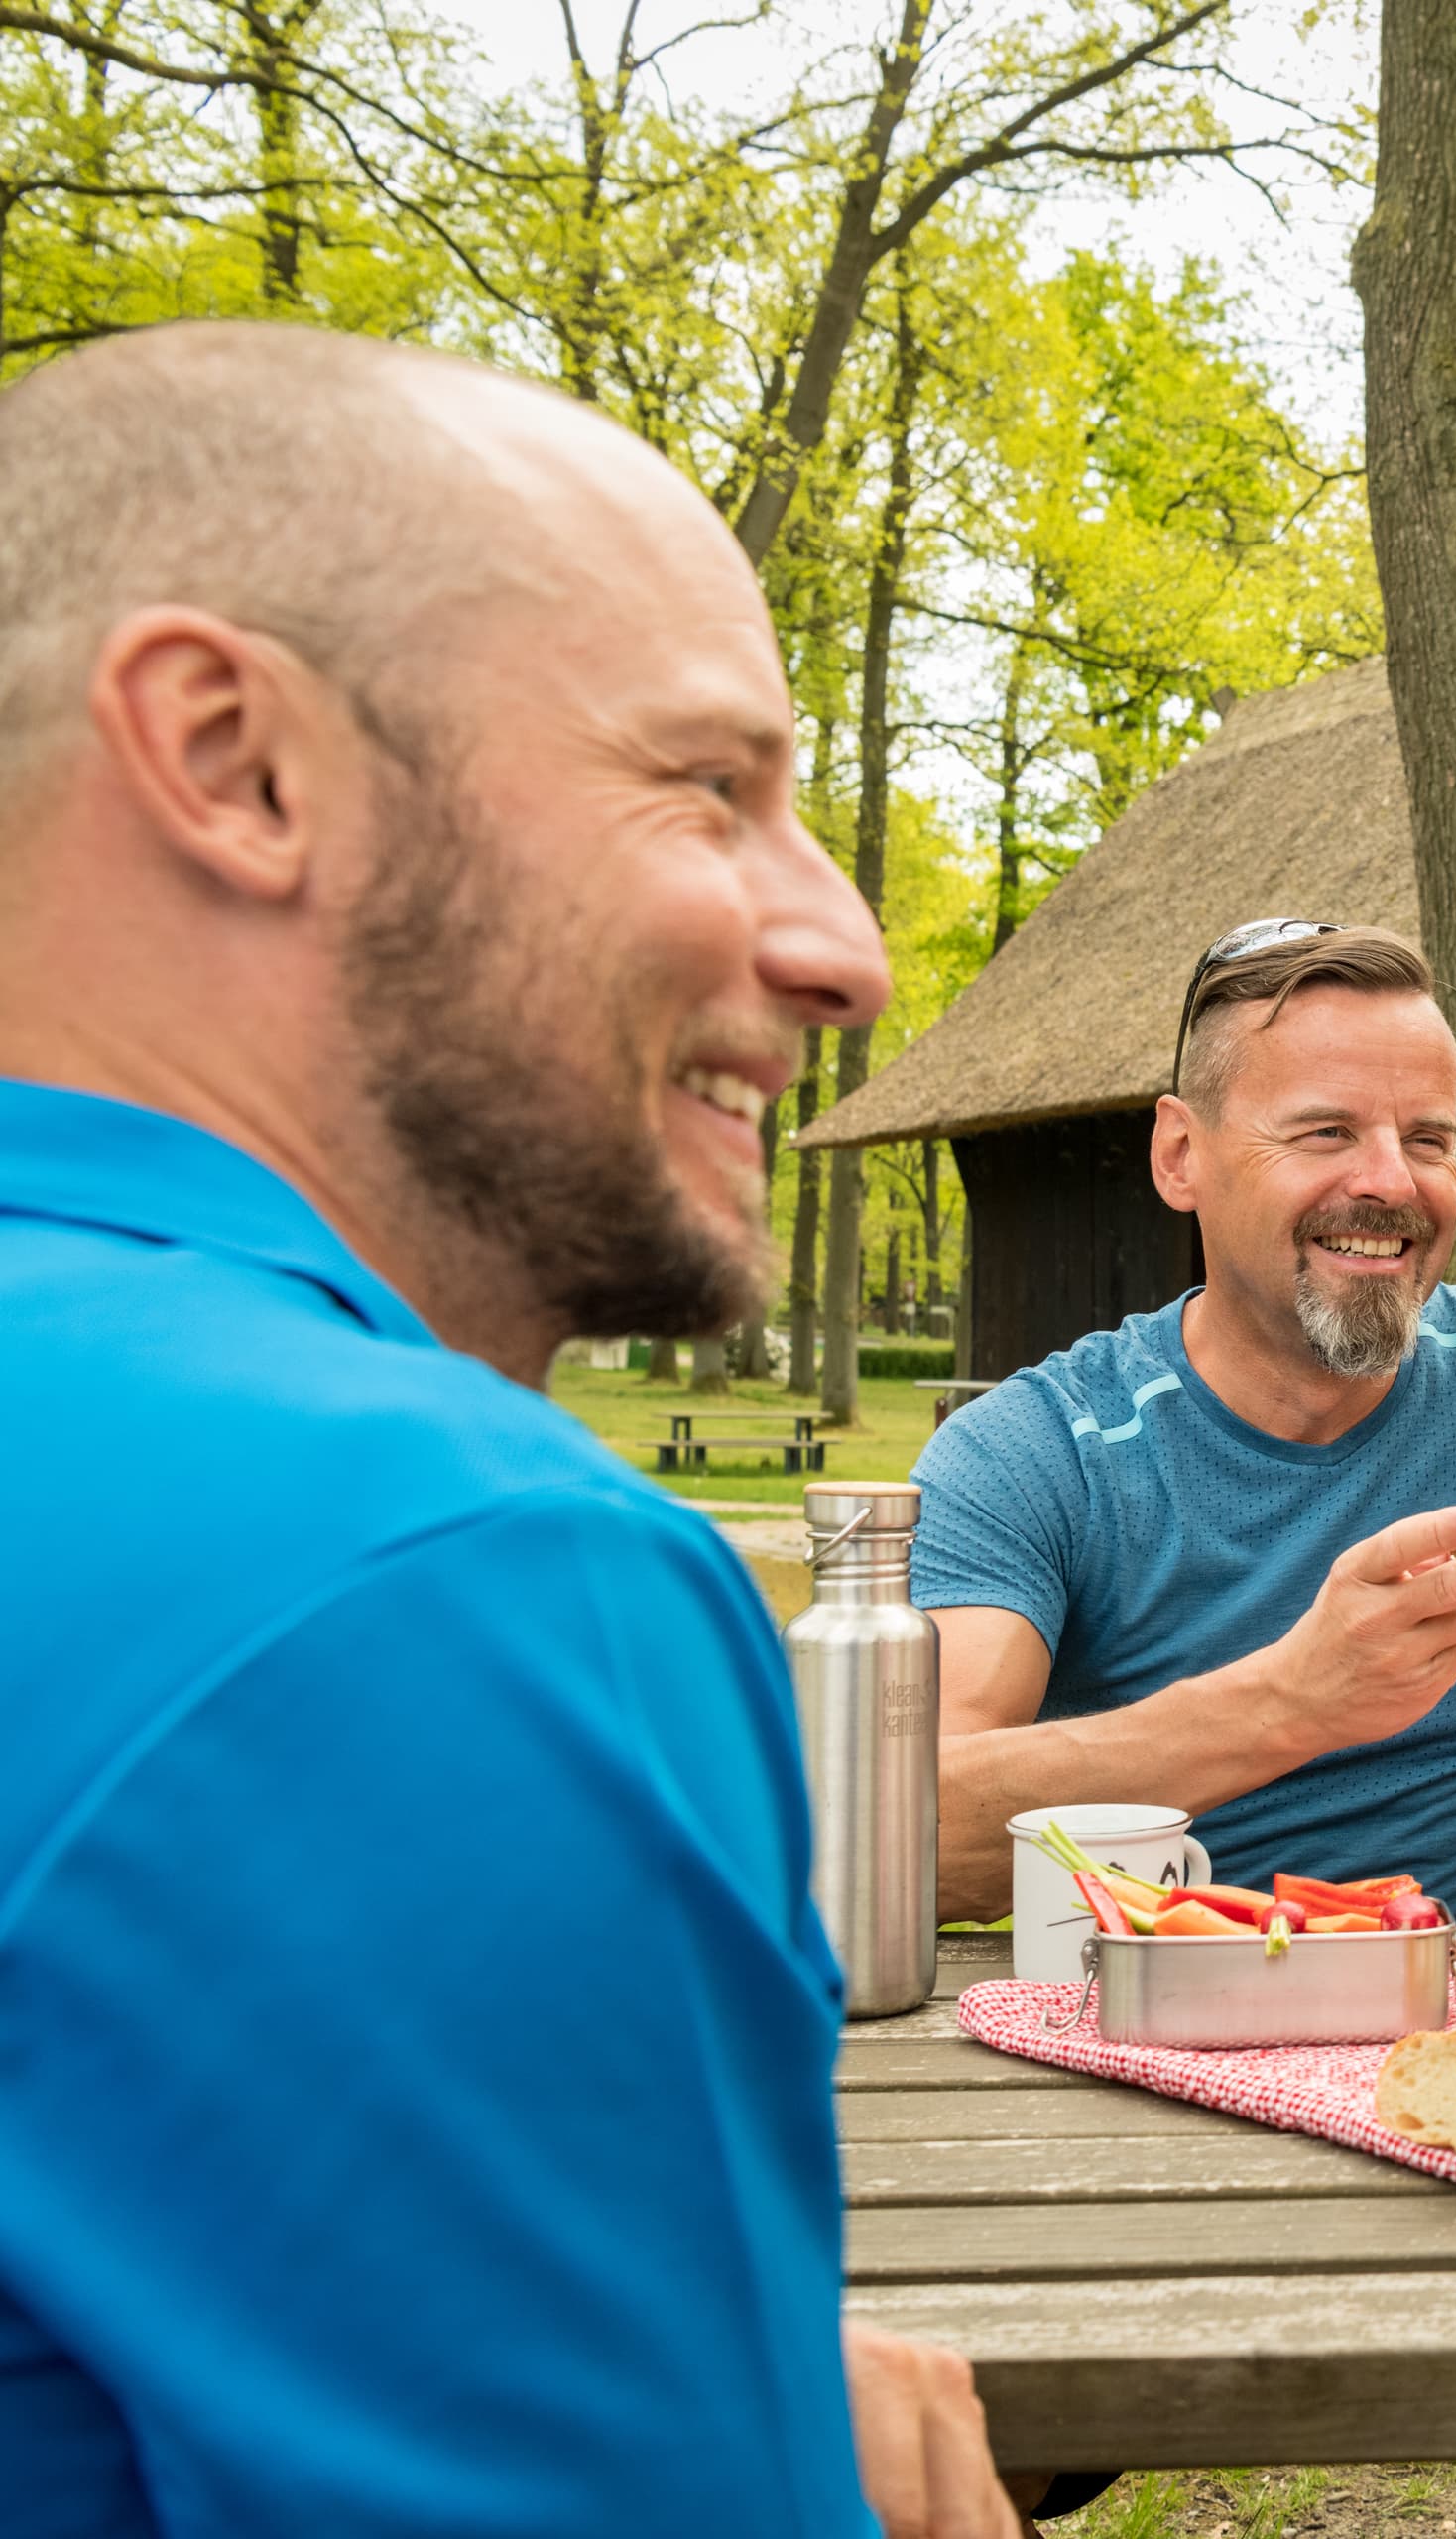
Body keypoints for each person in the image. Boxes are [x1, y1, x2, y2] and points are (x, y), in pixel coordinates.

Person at [0, 324, 1013, 2534]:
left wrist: (676, 2346)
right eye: (705, 787)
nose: (844, 946)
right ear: (236, 761)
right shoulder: (435, 1566)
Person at [917, 921, 1456, 1930]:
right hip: (1165, 2010)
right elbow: (908, 1828)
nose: (1392, 1181)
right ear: (1181, 1155)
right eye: (1326, 1133)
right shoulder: (1037, 1454)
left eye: (1429, 1140)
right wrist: (1296, 1701)